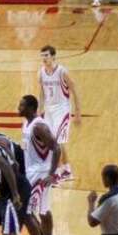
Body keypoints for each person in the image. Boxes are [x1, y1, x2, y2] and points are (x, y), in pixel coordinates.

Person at [18, 95, 61, 235]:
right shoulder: (27, 124)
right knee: (42, 211)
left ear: (30, 108)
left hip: (40, 174)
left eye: (21, 105)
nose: (18, 107)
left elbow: (56, 147)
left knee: (28, 213)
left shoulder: (39, 126)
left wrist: (51, 174)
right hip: (32, 173)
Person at [38, 45, 82, 182]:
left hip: (62, 109)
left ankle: (56, 172)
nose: (44, 58)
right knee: (56, 142)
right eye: (42, 56)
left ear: (53, 56)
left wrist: (77, 112)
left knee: (57, 141)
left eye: (46, 55)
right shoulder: (41, 73)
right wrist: (40, 111)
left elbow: (74, 91)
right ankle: (67, 170)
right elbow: (41, 94)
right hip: (49, 110)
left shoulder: (62, 72)